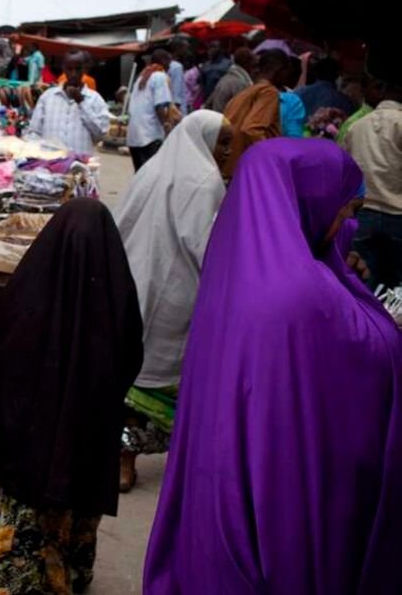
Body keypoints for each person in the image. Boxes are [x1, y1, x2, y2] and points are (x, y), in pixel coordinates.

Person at [144, 138, 402, 594]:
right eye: (347, 208)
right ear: (311, 198)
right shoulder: (305, 296)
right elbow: (374, 358)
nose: (350, 222)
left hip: (219, 482)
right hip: (281, 507)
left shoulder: (235, 267)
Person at [0, 198, 143, 595]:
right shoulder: (116, 298)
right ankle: (71, 574)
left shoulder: (28, 295)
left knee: (27, 523)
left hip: (29, 442)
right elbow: (131, 357)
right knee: (77, 512)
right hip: (87, 441)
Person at [113, 111, 233, 492]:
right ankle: (127, 459)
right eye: (224, 142)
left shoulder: (152, 169)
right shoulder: (206, 181)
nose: (228, 152)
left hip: (134, 284)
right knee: (156, 383)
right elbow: (206, 246)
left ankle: (120, 458)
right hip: (174, 297)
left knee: (129, 377)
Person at [343, 78, 402, 288]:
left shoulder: (356, 125)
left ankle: (368, 320)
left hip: (363, 213)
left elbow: (345, 170)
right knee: (398, 287)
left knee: (365, 282)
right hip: (397, 214)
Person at [222, 49, 293, 177]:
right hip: (246, 170)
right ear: (279, 70)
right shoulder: (269, 92)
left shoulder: (245, 93)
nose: (289, 76)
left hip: (230, 167)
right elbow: (251, 129)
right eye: (288, 71)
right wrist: (270, 162)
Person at [30, 50, 111, 155]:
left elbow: (100, 134)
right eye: (69, 69)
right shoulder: (47, 97)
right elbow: (34, 131)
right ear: (63, 68)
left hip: (81, 167)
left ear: (85, 69)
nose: (73, 74)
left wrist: (81, 103)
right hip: (49, 165)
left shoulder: (95, 99)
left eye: (78, 69)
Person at [127, 51, 174, 170]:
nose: (170, 65)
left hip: (134, 136)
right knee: (152, 176)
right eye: (169, 62)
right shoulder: (160, 76)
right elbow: (159, 106)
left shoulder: (142, 77)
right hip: (150, 136)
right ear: (163, 61)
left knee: (140, 175)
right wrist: (166, 125)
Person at [203, 46, 255, 112]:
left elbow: (208, 103)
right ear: (247, 63)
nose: (256, 70)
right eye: (254, 65)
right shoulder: (240, 84)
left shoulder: (225, 79)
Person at [167, 40, 188, 115]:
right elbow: (177, 94)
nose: (186, 52)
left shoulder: (168, 65)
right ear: (177, 49)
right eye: (185, 49)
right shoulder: (177, 67)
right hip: (178, 111)